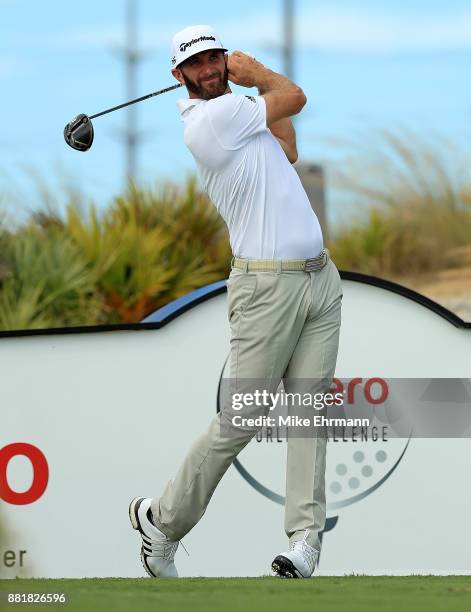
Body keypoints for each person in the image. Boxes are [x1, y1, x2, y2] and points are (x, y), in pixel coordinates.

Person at [129, 24, 343, 579]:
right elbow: (294, 96)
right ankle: (162, 521)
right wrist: (260, 75)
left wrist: (256, 89)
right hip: (266, 289)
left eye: (215, 58)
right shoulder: (209, 123)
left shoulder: (242, 111)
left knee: (307, 414)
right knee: (241, 419)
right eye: (196, 64)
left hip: (320, 279)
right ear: (179, 77)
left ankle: (304, 542)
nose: (209, 69)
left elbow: (289, 145)